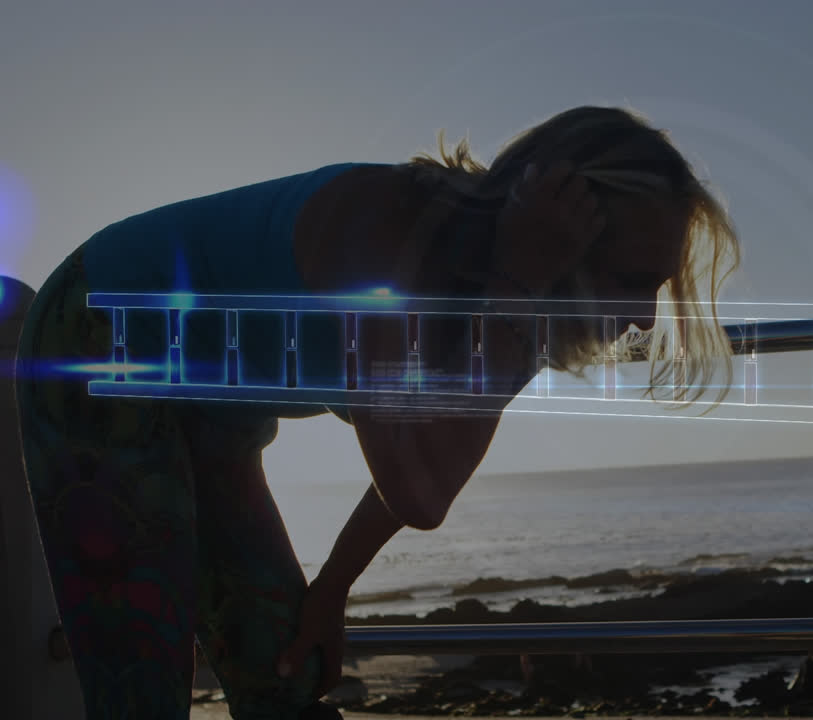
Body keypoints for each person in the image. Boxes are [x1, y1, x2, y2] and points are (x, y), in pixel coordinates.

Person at [14, 105, 741, 719]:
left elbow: (433, 469)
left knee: (286, 677)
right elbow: (418, 489)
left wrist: (331, 589)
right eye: (634, 279)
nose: (646, 316)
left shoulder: (520, 301)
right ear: (566, 229)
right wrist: (516, 282)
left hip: (219, 414)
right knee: (142, 684)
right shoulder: (387, 235)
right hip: (101, 340)